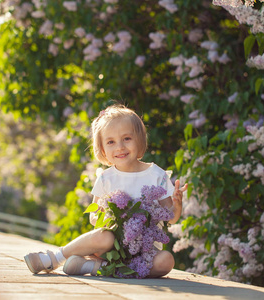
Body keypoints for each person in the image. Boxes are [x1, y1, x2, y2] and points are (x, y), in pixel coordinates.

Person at [24, 104, 188, 277]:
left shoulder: (156, 175)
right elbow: (93, 217)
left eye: (127, 139)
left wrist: (176, 206)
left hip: (145, 252)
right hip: (110, 246)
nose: (120, 147)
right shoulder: (106, 178)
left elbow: (171, 218)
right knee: (104, 237)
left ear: (139, 139)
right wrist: (110, 216)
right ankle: (55, 258)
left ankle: (94, 267)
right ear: (102, 149)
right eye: (111, 142)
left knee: (167, 260)